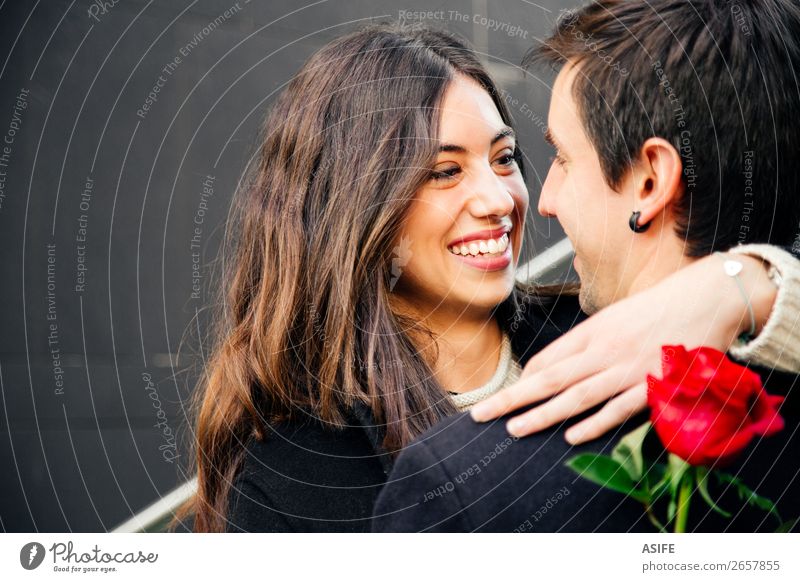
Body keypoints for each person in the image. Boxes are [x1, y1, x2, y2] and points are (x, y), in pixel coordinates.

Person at [171, 21, 800, 533]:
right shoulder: (293, 473)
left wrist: (743, 281)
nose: (500, 198)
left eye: (505, 158)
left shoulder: (622, 327)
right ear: (361, 211)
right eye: (445, 172)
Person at [372, 0, 800, 532]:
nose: (541, 198)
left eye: (563, 159)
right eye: (444, 171)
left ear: (650, 181)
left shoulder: (463, 486)